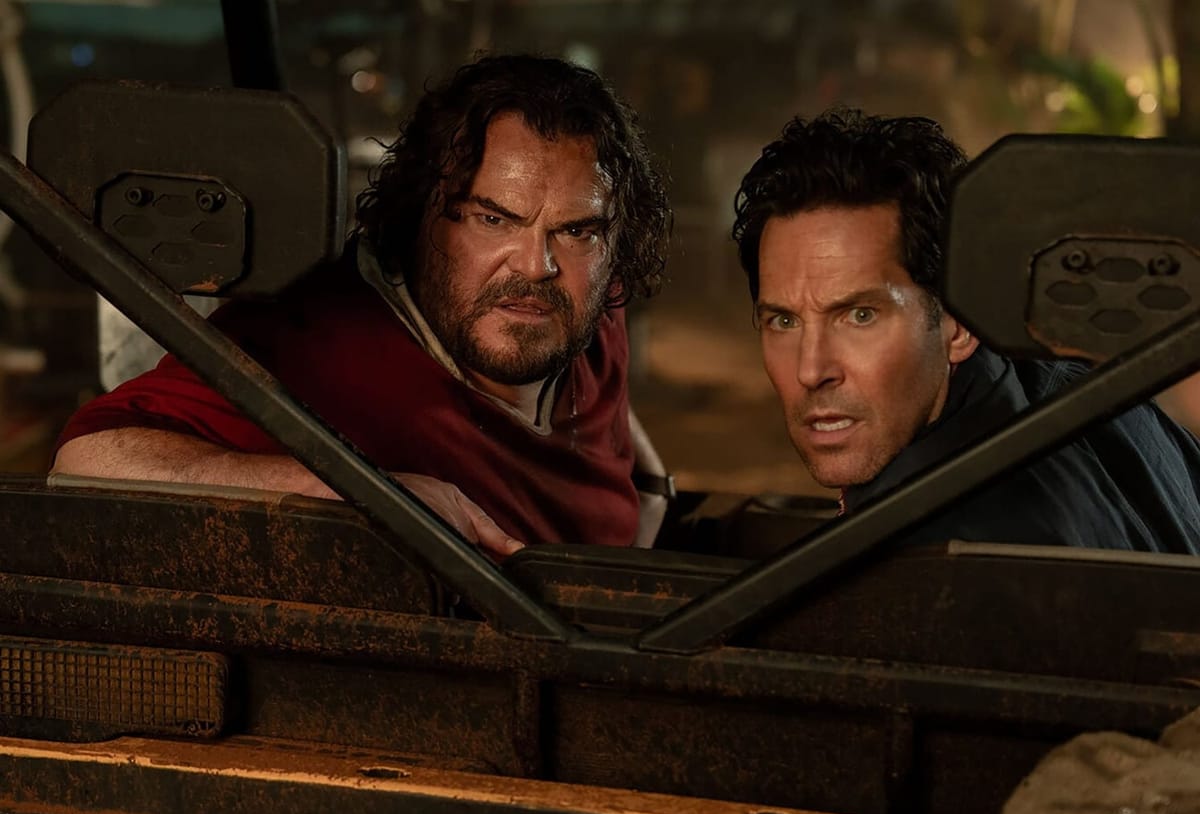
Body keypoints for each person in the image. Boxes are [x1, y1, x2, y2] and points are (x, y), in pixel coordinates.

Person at [51, 54, 673, 557]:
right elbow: (89, 459)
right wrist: (366, 493)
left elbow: (616, 433)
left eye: (576, 230)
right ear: (422, 213)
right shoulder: (317, 343)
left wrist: (652, 493)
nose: (536, 265)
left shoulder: (584, 302)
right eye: (492, 219)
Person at [732, 109, 1200, 551]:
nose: (811, 370)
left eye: (860, 316)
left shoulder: (942, 560)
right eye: (784, 321)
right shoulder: (1092, 394)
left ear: (959, 325)